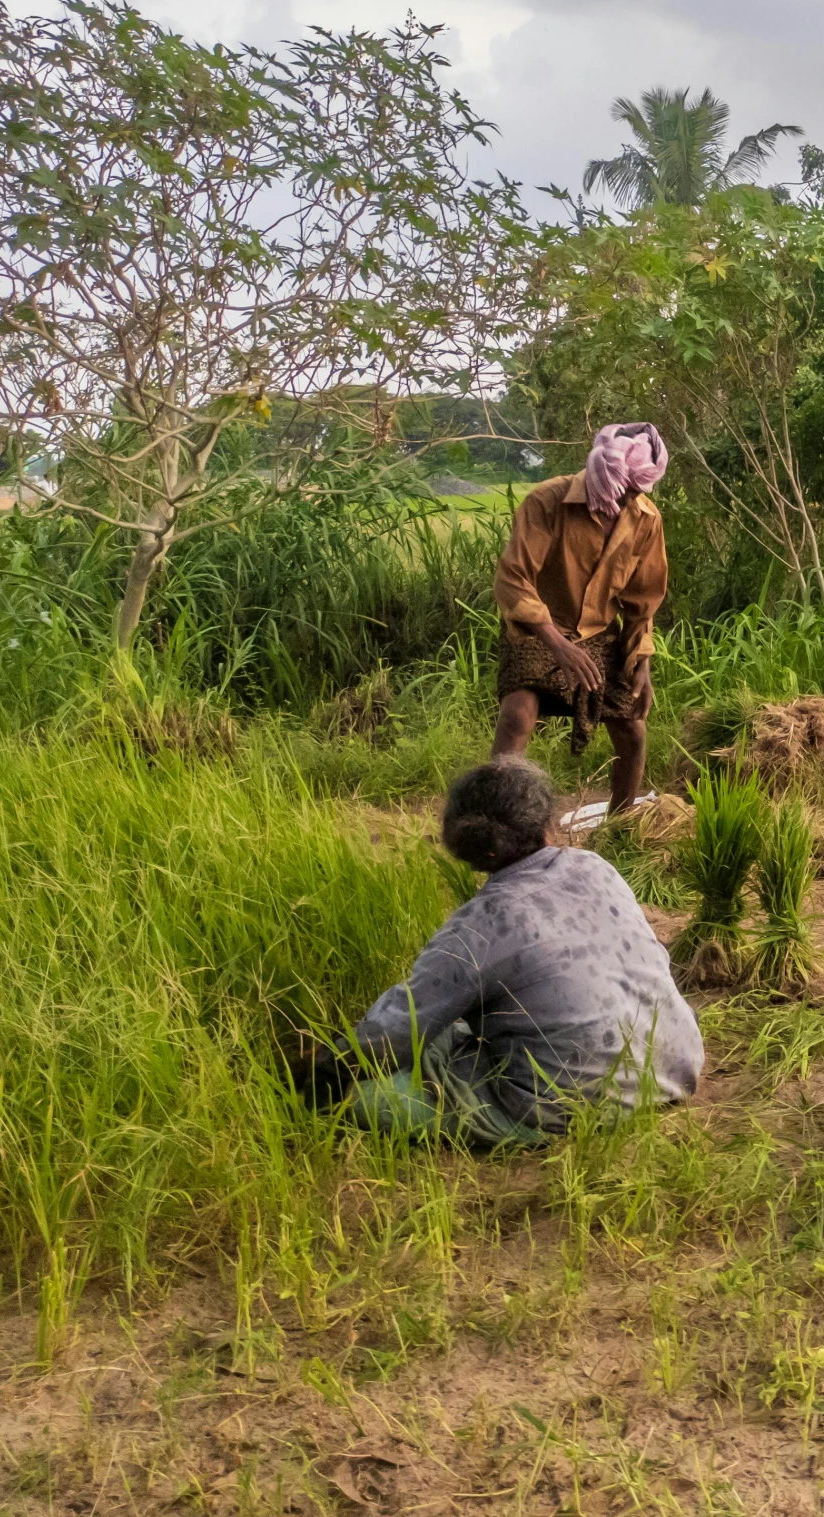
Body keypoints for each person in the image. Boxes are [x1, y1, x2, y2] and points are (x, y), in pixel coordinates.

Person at [291, 759, 704, 1148]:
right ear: (547, 827)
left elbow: (402, 1026)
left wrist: (327, 1069)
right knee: (456, 1034)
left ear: (467, 846)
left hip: (571, 1104)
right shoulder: (596, 868)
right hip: (673, 1067)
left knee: (373, 1092)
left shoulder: (483, 922)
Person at [494, 422, 671, 819]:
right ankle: (500, 820)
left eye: (637, 493)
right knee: (518, 716)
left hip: (599, 633)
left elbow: (642, 601)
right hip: (539, 629)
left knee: (633, 730)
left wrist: (642, 662)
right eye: (622, 492)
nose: (628, 502)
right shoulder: (547, 501)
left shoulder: (646, 518)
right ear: (600, 476)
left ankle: (621, 827)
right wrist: (559, 644)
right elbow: (513, 580)